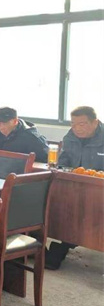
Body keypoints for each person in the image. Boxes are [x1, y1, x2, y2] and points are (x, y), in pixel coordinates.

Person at [48, 106, 104, 270]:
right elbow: (63, 162)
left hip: (99, 190)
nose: (77, 128)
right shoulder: (70, 137)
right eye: (73, 124)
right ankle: (63, 241)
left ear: (95, 122)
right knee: (58, 204)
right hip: (75, 189)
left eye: (82, 124)